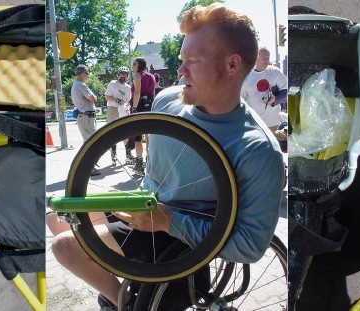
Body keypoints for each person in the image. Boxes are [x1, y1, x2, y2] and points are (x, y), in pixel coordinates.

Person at [50, 3, 284, 309]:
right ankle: (124, 292)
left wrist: (168, 220)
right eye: (181, 60)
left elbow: (250, 246)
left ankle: (125, 303)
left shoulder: (257, 150)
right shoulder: (166, 102)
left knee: (65, 246)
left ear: (232, 65)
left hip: (181, 239)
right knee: (58, 216)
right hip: (146, 206)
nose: (180, 70)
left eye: (193, 61)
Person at [240, 47, 287, 131]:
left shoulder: (275, 72)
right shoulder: (246, 77)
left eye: (267, 58)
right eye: (263, 58)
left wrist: (275, 99)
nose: (266, 61)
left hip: (274, 123)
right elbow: (241, 100)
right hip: (255, 124)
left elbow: (285, 90)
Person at [71, 64, 100, 176]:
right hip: (86, 118)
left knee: (89, 142)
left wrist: (90, 103)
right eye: (87, 73)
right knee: (91, 143)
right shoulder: (81, 85)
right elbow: (94, 98)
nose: (87, 76)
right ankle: (88, 167)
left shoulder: (75, 85)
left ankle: (89, 165)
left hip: (85, 116)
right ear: (82, 73)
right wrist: (90, 100)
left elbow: (89, 101)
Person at [130, 57, 156, 175]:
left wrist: (134, 108)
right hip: (150, 105)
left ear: (139, 65)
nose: (133, 66)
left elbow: (137, 92)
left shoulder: (137, 75)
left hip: (139, 105)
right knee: (149, 133)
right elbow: (152, 92)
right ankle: (150, 161)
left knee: (137, 136)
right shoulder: (151, 76)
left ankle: (139, 164)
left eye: (134, 64)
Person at [104, 66, 134, 163]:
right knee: (112, 132)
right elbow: (107, 97)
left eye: (125, 74)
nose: (122, 76)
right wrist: (117, 100)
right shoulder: (113, 84)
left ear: (127, 76)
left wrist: (127, 108)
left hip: (123, 109)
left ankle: (128, 154)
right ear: (118, 74)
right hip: (113, 108)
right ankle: (114, 154)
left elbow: (128, 100)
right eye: (121, 74)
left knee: (125, 132)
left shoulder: (128, 87)